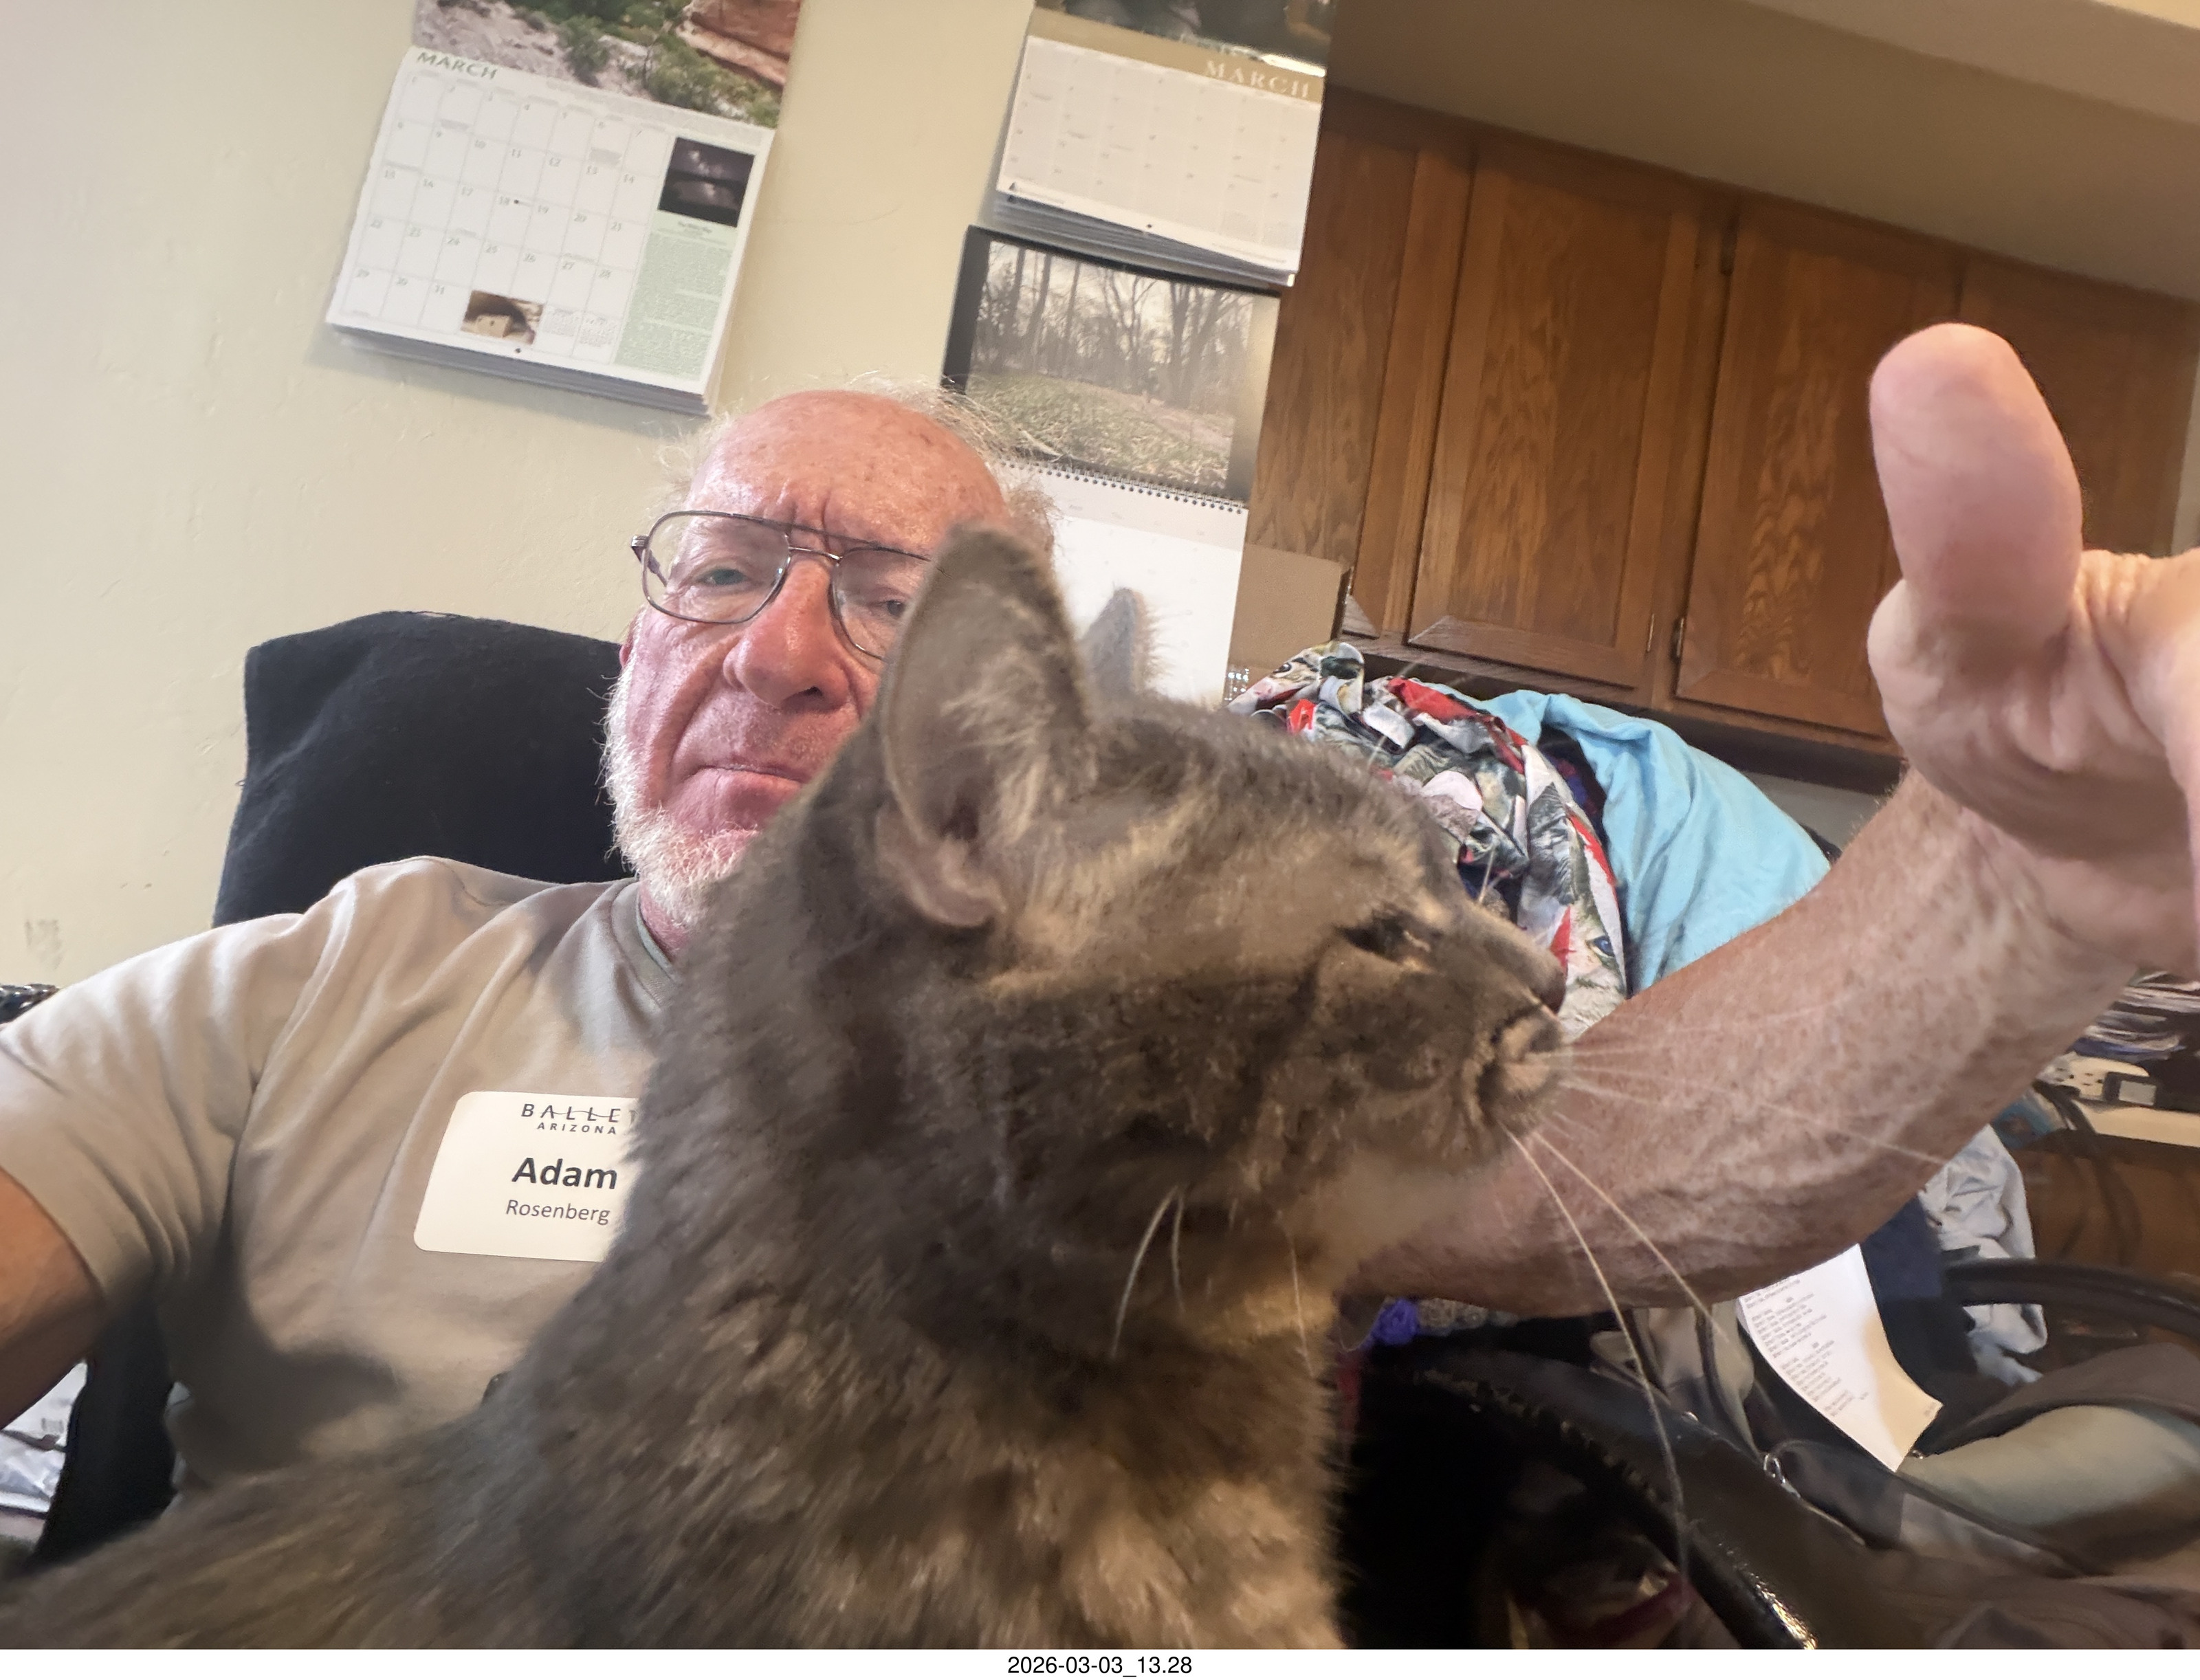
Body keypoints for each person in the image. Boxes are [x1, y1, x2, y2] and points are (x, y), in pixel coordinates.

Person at [0, 325, 2189, 1492]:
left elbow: (1639, 1152)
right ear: (641, 628)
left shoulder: (1156, 1033)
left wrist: (2011, 882)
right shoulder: (329, 975)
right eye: (722, 566)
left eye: (894, 601)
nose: (779, 649)